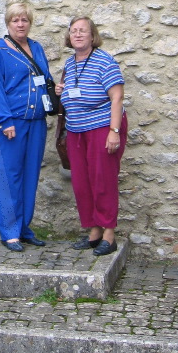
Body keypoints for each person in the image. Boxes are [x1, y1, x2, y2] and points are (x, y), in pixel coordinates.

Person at [55, 16, 126, 256]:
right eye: (73, 31)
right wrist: (60, 90)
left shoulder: (104, 61)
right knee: (82, 182)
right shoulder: (70, 63)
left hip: (101, 129)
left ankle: (109, 234)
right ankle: (94, 232)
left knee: (102, 180)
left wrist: (114, 132)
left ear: (92, 35)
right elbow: (71, 92)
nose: (77, 35)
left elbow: (117, 97)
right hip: (76, 131)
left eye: (82, 31)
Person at [0, 2, 54, 252]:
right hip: (11, 123)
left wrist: (54, 88)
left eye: (24, 20)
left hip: (36, 122)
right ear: (8, 23)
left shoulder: (36, 47)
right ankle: (9, 231)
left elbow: (44, 78)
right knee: (9, 176)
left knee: (30, 176)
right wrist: (4, 120)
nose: (21, 24)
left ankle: (24, 227)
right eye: (16, 20)